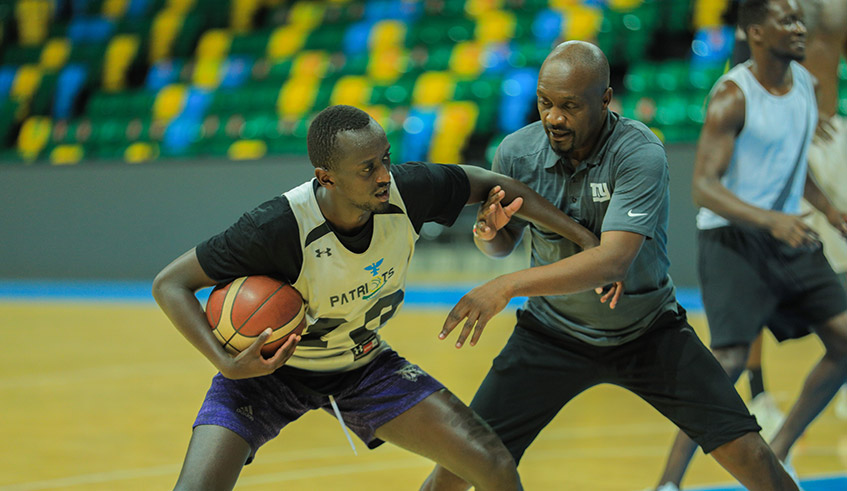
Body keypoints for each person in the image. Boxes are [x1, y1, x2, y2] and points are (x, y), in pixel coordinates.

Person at [151, 104, 616, 491]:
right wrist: (228, 363)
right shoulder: (275, 227)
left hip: (363, 366)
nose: (383, 175)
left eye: (386, 159)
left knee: (491, 464)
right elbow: (170, 283)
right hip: (266, 374)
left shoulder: (406, 191)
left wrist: (584, 239)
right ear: (326, 177)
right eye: (367, 168)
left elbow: (498, 186)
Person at [421, 40, 798, 491]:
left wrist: (504, 286)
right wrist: (489, 234)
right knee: (462, 463)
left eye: (569, 106)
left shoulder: (639, 152)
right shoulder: (518, 152)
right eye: (545, 102)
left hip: (648, 331)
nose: (553, 117)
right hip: (551, 336)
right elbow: (502, 245)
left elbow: (613, 260)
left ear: (604, 99)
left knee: (751, 454)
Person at [653, 0, 847, 489]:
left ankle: (777, 452)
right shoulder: (731, 97)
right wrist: (770, 221)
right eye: (787, 21)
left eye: (801, 19)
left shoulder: (806, 85)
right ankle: (668, 482)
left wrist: (829, 210)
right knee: (729, 362)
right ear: (756, 33)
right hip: (732, 239)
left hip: (788, 234)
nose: (799, 28)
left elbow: (792, 163)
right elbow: (704, 186)